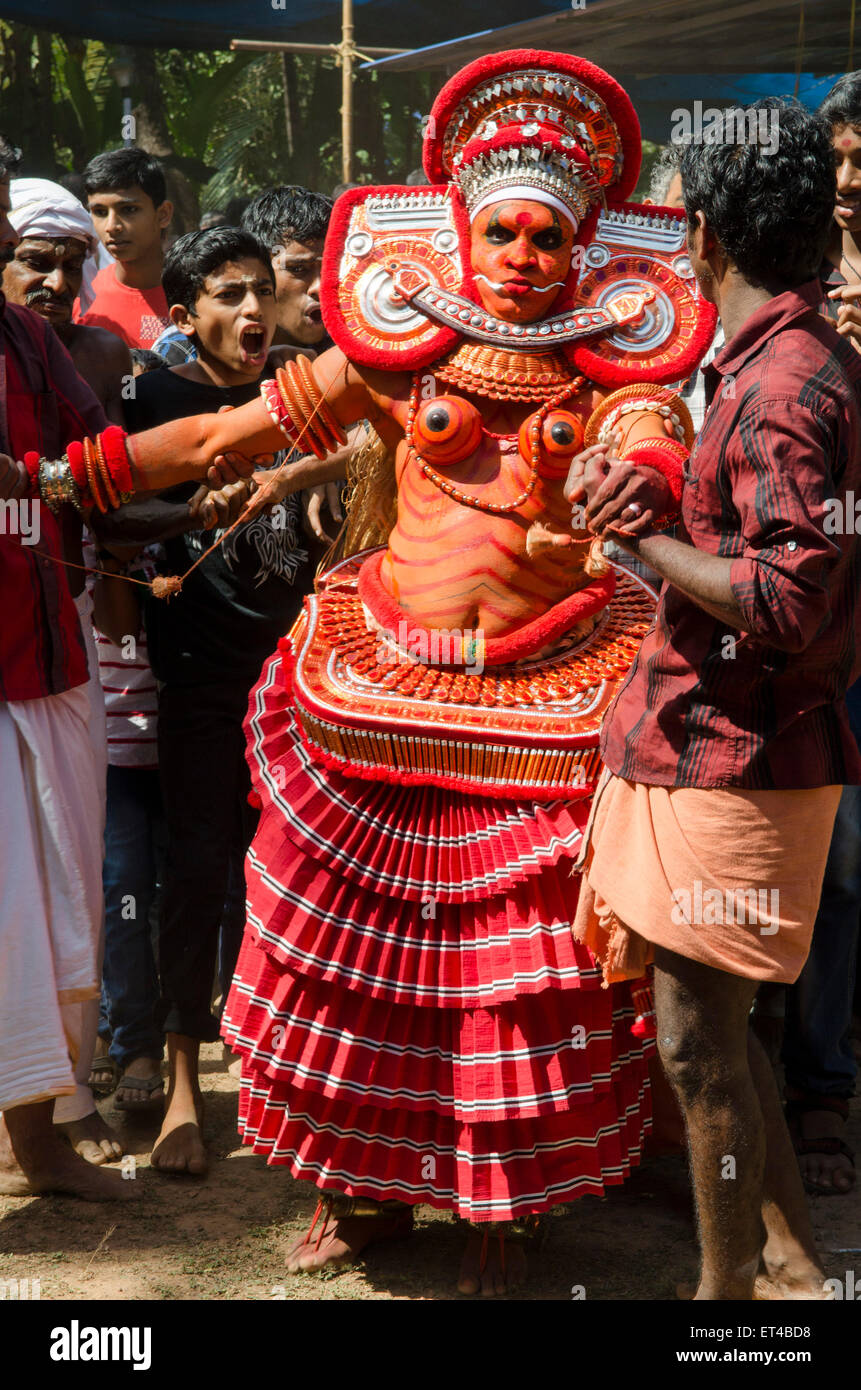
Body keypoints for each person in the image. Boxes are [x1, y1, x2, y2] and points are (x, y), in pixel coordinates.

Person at [136, 50, 715, 1292]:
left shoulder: (616, 370)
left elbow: (652, 442)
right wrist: (75, 473)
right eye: (498, 228)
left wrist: (639, 473)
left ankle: (507, 1217)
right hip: (379, 681)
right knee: (350, 968)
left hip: (544, 696)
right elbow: (223, 433)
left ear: (578, 250)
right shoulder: (397, 357)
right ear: (461, 229)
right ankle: (366, 1196)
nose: (517, 253)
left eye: (543, 235)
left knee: (520, 986)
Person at [570, 99, 861, 1300]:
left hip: (735, 753)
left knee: (699, 1049)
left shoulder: (781, 385)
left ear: (700, 239)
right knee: (724, 1039)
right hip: (725, 746)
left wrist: (642, 546)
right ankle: (786, 1266)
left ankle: (726, 1303)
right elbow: (754, 530)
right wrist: (656, 497)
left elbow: (785, 602)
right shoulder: (791, 364)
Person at [0, 136, 245, 1201]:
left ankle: (36, 1140)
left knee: (50, 908)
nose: (39, 266)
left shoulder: (31, 346)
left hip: (48, 670)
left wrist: (229, 490)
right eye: (27, 248)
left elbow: (104, 469)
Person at [121, 226, 316, 1177]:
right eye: (226, 294)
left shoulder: (304, 390)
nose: (249, 311)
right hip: (199, 676)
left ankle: (291, 1085)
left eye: (259, 293)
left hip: (305, 677)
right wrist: (193, 506)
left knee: (298, 878)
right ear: (184, 311)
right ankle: (184, 1090)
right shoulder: (151, 399)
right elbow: (108, 510)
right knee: (197, 871)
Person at [778, 73, 861, 1197]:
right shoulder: (796, 284)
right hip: (810, 623)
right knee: (831, 863)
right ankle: (817, 1087)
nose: (849, 186)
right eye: (840, 163)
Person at [77, 148, 173, 350]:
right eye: (100, 212)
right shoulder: (83, 297)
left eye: (128, 210)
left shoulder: (198, 297)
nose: (111, 226)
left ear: (163, 214)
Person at [240, 186, 331, 350]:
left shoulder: (352, 358)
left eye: (330, 269)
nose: (319, 287)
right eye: (298, 269)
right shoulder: (193, 361)